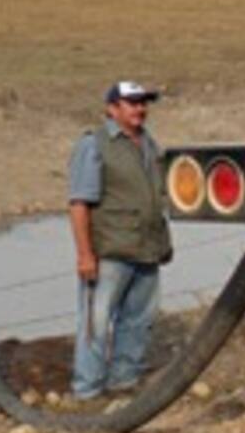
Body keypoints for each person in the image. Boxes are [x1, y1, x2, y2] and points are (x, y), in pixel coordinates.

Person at [67, 80, 173, 399]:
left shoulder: (150, 144)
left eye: (143, 103)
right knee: (96, 323)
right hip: (110, 252)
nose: (140, 109)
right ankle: (87, 391)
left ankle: (124, 382)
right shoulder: (94, 145)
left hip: (148, 249)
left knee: (139, 320)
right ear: (112, 109)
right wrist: (85, 255)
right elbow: (79, 204)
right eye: (132, 103)